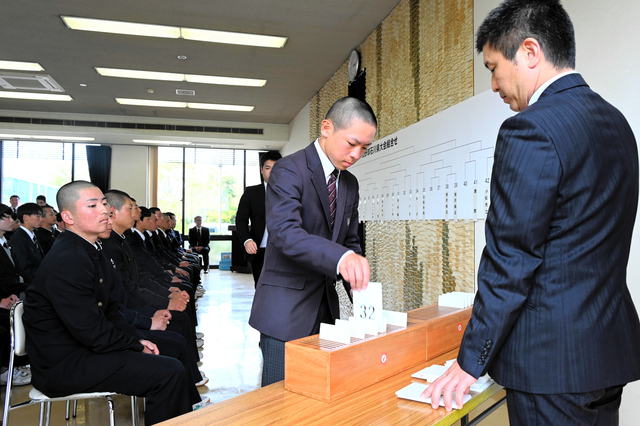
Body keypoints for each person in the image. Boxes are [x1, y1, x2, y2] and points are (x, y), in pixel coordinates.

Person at [422, 1, 640, 424]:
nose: (493, 84)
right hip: (606, 354)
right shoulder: (617, 124)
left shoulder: (530, 129)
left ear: (529, 52)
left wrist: (469, 362)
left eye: (492, 66)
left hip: (549, 363)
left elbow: (511, 260)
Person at [23, 181, 192, 425]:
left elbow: (111, 309)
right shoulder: (68, 259)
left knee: (171, 351)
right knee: (169, 372)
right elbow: (90, 329)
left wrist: (137, 339)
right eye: (92, 205)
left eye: (104, 203)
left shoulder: (90, 249)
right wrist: (133, 345)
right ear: (67, 216)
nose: (104, 210)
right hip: (66, 364)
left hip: (85, 349)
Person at [248, 97, 376, 386]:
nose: (356, 154)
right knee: (280, 406)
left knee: (316, 399)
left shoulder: (349, 183)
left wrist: (360, 287)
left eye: (364, 148)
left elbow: (350, 240)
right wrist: (342, 259)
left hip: (326, 312)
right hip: (285, 311)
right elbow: (285, 234)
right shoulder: (289, 169)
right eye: (351, 143)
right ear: (327, 127)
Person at [236, 150, 282, 287]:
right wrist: (247, 240)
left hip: (284, 252)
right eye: (268, 168)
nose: (272, 172)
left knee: (282, 291)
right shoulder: (251, 193)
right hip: (260, 251)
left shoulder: (291, 192)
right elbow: (240, 220)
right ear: (262, 170)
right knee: (262, 289)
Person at [10, 203, 44, 281]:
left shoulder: (33, 236)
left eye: (41, 216)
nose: (41, 219)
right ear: (25, 217)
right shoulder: (18, 239)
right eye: (38, 216)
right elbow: (25, 268)